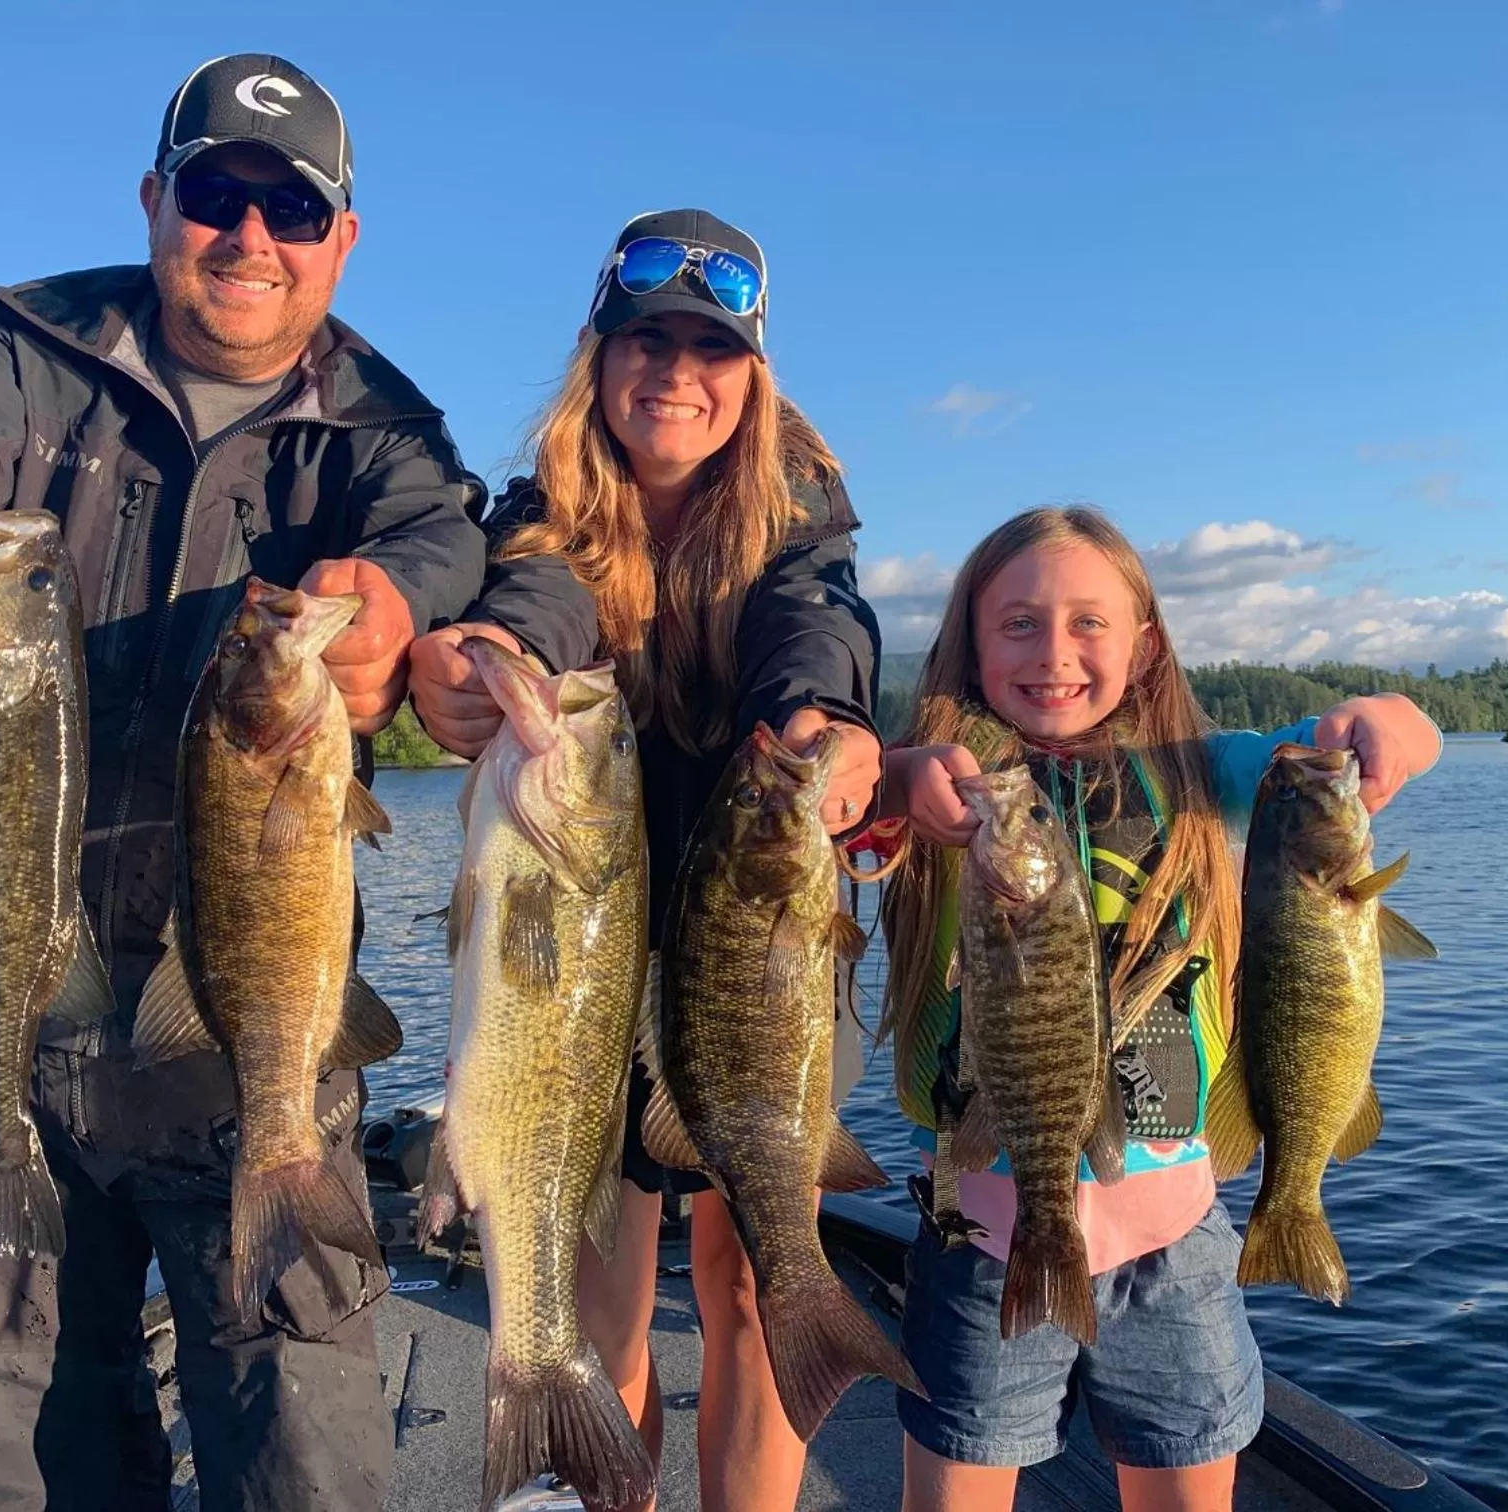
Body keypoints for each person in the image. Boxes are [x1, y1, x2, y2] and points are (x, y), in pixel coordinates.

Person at [0, 53, 570, 1512]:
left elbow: (450, 541)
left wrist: (406, 605)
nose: (249, 236)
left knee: (301, 1447)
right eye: (217, 193)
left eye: (292, 209)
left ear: (342, 239)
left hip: (243, 1030)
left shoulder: (385, 430)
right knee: (4, 1437)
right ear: (156, 201)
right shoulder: (22, 356)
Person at [407, 209, 884, 1509]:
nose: (677, 373)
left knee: (750, 1284)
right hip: (581, 941)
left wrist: (823, 722)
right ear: (598, 359)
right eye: (647, 343)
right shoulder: (542, 512)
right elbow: (541, 595)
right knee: (597, 1289)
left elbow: (815, 625)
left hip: (757, 944)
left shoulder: (799, 519)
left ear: (754, 378)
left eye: (712, 350)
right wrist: (503, 658)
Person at [856, 506, 1442, 1512]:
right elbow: (834, 818)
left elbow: (1399, 740)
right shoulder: (939, 788)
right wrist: (899, 778)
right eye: (1019, 624)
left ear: (1145, 643)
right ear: (970, 642)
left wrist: (1385, 722)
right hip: (983, 1244)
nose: (1055, 652)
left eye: (1089, 621)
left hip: (1177, 1241)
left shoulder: (1204, 775)